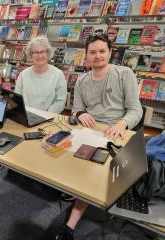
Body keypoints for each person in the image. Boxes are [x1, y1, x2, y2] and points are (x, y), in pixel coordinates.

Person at [54, 33, 142, 240]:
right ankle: (75, 190)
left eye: (102, 51)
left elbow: (135, 110)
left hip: (117, 133)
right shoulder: (82, 81)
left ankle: (70, 225)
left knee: (91, 167)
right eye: (92, 52)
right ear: (86, 56)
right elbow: (76, 108)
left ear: (111, 53)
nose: (98, 56)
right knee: (62, 152)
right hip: (90, 132)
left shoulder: (124, 74)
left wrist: (122, 123)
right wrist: (81, 113)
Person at [15, 36, 67, 114]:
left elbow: (60, 101)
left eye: (42, 51)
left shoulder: (58, 75)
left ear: (48, 53)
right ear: (30, 54)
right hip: (26, 117)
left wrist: (45, 115)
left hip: (49, 118)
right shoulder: (23, 75)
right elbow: (17, 99)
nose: (39, 56)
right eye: (36, 52)